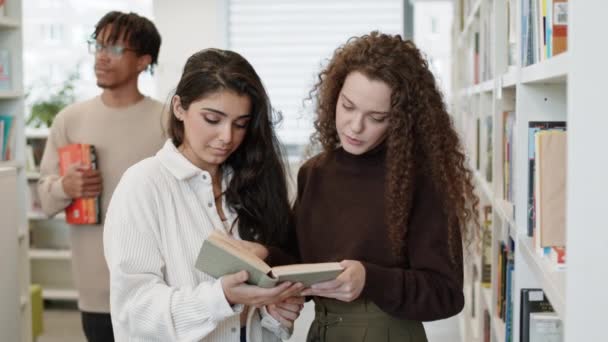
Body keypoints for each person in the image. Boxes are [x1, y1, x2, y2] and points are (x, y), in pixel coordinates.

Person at [262, 31, 480, 341]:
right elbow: (297, 264)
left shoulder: (421, 182)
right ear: (334, 95)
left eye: (376, 117)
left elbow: (445, 294)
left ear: (401, 120)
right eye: (347, 106)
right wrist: (262, 258)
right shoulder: (315, 173)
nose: (355, 126)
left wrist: (369, 279)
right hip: (322, 331)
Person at [103, 48, 305, 342]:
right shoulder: (143, 184)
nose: (227, 137)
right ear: (179, 108)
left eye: (240, 124)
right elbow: (135, 310)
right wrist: (220, 297)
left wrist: (274, 315)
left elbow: (255, 321)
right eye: (212, 119)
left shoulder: (250, 184)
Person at [38, 11, 163, 342]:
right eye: (99, 45)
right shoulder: (70, 120)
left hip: (159, 285)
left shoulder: (168, 122)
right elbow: (44, 196)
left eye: (116, 49)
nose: (102, 57)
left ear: (143, 61)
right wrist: (65, 186)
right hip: (96, 289)